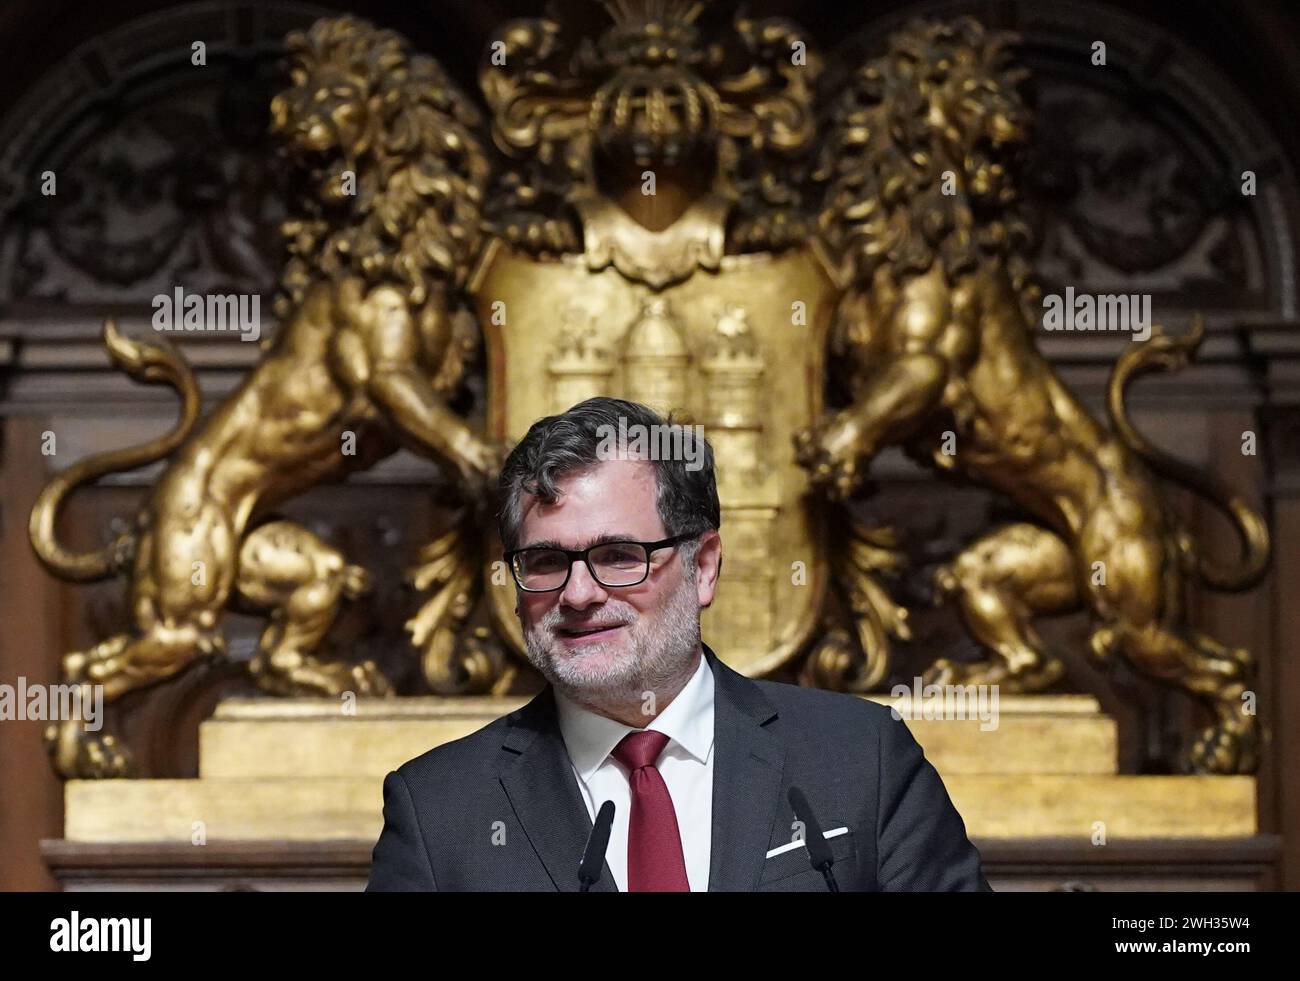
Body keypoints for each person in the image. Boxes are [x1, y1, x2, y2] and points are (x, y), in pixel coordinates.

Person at [367, 397, 991, 891]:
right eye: (547, 560)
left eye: (619, 556)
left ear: (704, 567)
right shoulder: (439, 810)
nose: (579, 594)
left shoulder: (861, 761)